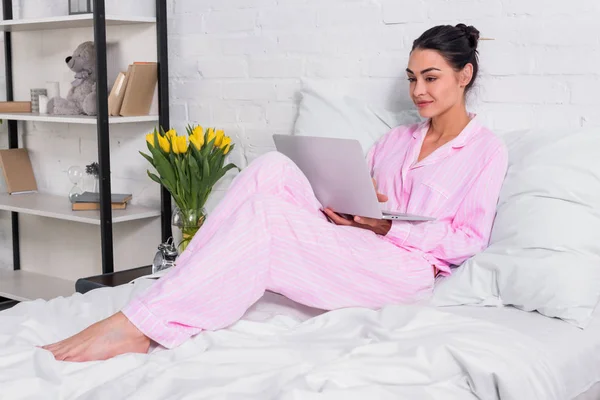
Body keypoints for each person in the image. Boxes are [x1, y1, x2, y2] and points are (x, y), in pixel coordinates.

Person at [42, 23, 508, 362]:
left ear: (463, 76)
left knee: (267, 214)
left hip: (406, 267)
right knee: (273, 167)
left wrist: (385, 227)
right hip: (358, 240)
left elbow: (468, 240)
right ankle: (180, 281)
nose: (418, 90)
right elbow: (364, 195)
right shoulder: (394, 140)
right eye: (412, 78)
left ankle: (142, 326)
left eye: (431, 78)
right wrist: (348, 212)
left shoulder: (485, 151)